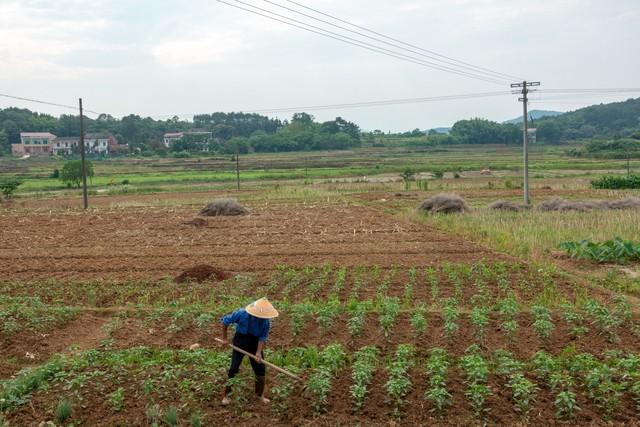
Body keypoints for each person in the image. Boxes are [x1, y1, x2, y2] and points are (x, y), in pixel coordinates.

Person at [220, 297, 278, 405]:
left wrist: (258, 352)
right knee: (233, 368)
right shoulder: (241, 314)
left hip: (255, 343)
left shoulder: (265, 322)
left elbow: (262, 337)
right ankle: (227, 396)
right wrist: (224, 339)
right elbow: (225, 321)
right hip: (240, 341)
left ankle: (259, 395)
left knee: (260, 369)